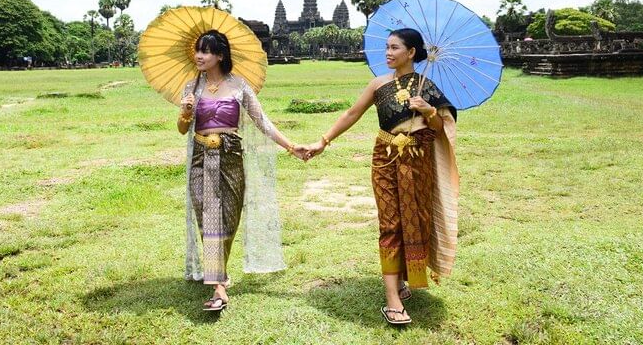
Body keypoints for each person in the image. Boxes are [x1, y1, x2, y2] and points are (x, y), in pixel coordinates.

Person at [304, 28, 460, 325]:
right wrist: (323, 141)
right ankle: (391, 299)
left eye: (394, 48)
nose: (388, 53)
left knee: (415, 219)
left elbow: (441, 129)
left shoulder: (427, 87)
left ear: (411, 52)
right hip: (386, 158)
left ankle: (402, 280)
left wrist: (428, 111)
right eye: (386, 47)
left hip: (418, 161)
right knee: (390, 222)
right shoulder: (378, 84)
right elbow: (352, 114)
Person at [177, 30, 306, 312]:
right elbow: (182, 129)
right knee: (207, 218)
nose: (199, 56)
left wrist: (290, 146)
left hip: (231, 156)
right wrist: (186, 112)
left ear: (220, 56)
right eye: (198, 50)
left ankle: (218, 270)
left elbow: (263, 122)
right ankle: (218, 285)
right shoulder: (191, 88)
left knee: (229, 220)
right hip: (201, 157)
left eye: (206, 51)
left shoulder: (239, 86)